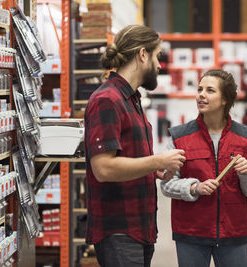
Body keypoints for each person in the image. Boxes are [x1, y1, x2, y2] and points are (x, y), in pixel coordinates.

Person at [84, 24, 186, 267]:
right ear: (142, 54)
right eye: (157, 56)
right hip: (119, 230)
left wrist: (152, 170)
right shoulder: (107, 100)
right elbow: (104, 168)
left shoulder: (131, 99)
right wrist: (158, 160)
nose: (160, 65)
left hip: (139, 228)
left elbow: (126, 157)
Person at [160, 69, 247, 267]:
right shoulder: (179, 137)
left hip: (233, 233)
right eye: (199, 89)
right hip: (190, 233)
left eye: (210, 90)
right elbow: (166, 184)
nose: (201, 94)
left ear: (225, 99)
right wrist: (194, 188)